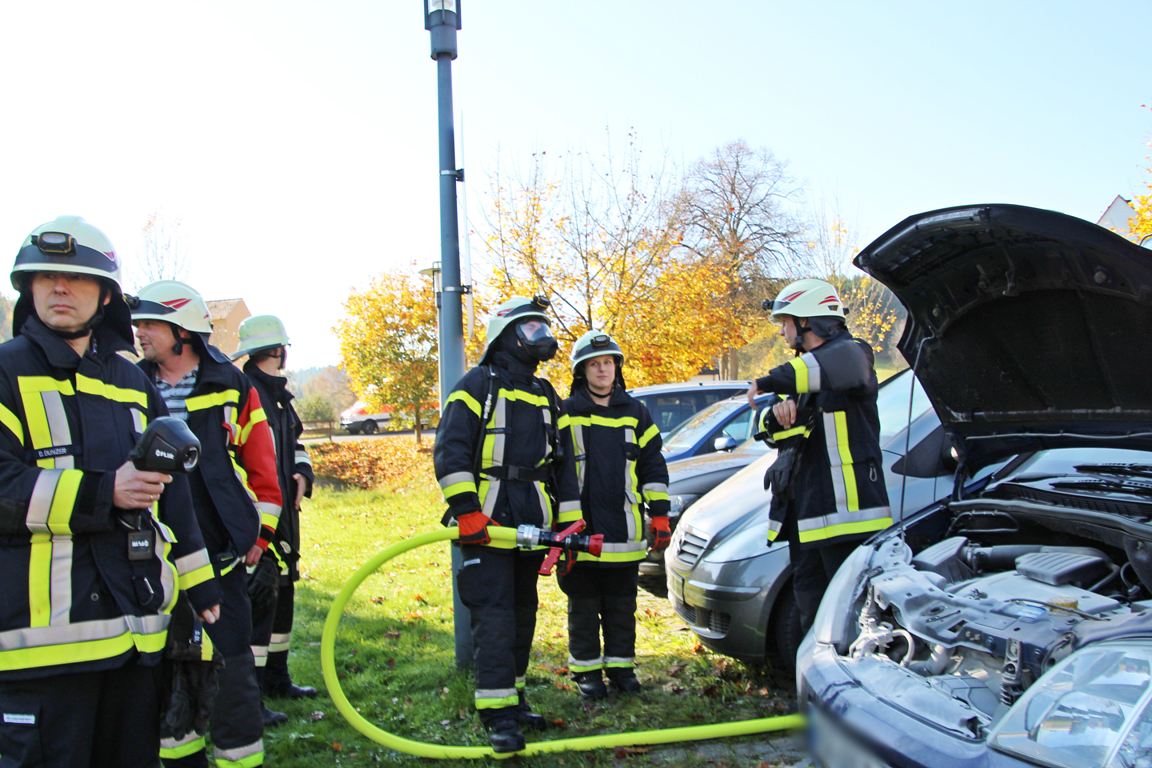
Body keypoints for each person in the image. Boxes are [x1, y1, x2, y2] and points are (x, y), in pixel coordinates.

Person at [0, 216, 221, 767]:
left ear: (104, 295)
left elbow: (174, 496)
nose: (58, 288)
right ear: (28, 288)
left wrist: (202, 594)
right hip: (39, 655)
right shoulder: (5, 374)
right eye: (45, 276)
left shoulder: (130, 383)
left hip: (134, 644)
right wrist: (104, 492)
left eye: (75, 278)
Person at [131, 280, 284, 768]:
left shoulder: (229, 385)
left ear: (183, 332)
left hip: (221, 552)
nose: (140, 334)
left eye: (150, 324)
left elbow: (262, 466)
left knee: (231, 662)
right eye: (137, 324)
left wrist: (259, 534)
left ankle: (239, 756)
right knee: (167, 669)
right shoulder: (130, 385)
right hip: (153, 555)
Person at [432, 295, 581, 754]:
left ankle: (514, 700)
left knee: (522, 615)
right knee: (494, 618)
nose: (543, 337)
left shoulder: (544, 394)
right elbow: (450, 450)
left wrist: (569, 523)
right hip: (487, 522)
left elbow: (564, 462)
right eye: (532, 329)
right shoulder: (476, 385)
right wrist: (466, 509)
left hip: (531, 522)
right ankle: (497, 716)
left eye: (543, 328)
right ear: (507, 337)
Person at [747, 278, 892, 635]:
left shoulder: (853, 354)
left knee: (855, 620)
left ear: (808, 320)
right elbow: (767, 431)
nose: (782, 332)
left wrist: (767, 382)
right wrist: (775, 415)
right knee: (815, 615)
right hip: (810, 517)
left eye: (786, 322)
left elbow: (827, 366)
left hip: (849, 519)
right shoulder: (809, 377)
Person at [560, 330, 670, 699]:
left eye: (608, 363)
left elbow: (654, 465)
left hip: (624, 533)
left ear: (617, 368)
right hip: (581, 531)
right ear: (582, 371)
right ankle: (587, 676)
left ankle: (622, 670)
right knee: (584, 608)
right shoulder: (567, 413)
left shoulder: (636, 412)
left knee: (622, 607)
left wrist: (660, 516)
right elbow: (555, 471)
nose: (603, 370)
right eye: (595, 364)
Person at [231, 315, 317, 702]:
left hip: (285, 513)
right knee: (259, 599)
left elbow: (296, 444)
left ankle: (277, 681)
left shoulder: (281, 397)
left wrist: (302, 472)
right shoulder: (246, 392)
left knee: (283, 594)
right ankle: (251, 693)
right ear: (280, 350)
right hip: (258, 513)